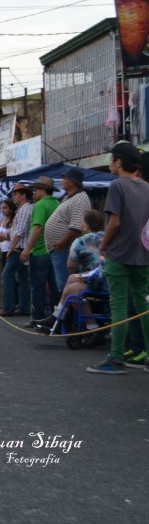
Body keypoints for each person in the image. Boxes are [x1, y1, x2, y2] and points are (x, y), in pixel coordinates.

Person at [86, 142, 149, 374]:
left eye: (111, 160)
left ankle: (117, 358)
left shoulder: (117, 186)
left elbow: (115, 222)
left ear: (119, 162)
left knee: (119, 304)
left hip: (119, 254)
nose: (109, 164)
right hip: (143, 254)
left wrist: (102, 246)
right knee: (143, 304)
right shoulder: (146, 187)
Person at [35, 209, 105, 333]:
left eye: (82, 221)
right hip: (105, 277)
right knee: (72, 281)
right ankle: (57, 318)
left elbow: (70, 266)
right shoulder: (105, 237)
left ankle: (88, 326)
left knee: (72, 287)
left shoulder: (81, 241)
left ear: (86, 225)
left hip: (100, 281)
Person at [43, 167, 91, 294]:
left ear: (73, 182)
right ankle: (64, 311)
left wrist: (61, 243)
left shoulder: (79, 199)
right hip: (60, 248)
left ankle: (68, 312)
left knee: (65, 285)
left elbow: (76, 228)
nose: (62, 180)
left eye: (65, 178)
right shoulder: (69, 197)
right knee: (62, 285)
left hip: (65, 249)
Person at [20, 175, 61, 324]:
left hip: (39, 252)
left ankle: (37, 317)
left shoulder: (41, 205)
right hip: (54, 252)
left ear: (43, 190)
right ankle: (55, 317)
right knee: (55, 287)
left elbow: (38, 228)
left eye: (36, 189)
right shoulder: (57, 203)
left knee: (38, 287)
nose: (34, 193)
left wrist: (27, 249)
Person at [2, 184, 33, 319]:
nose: (13, 197)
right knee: (22, 278)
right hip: (21, 247)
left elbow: (20, 231)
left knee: (6, 275)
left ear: (23, 196)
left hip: (19, 248)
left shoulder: (25, 209)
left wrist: (11, 247)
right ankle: (23, 307)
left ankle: (8, 307)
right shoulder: (22, 209)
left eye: (15, 194)